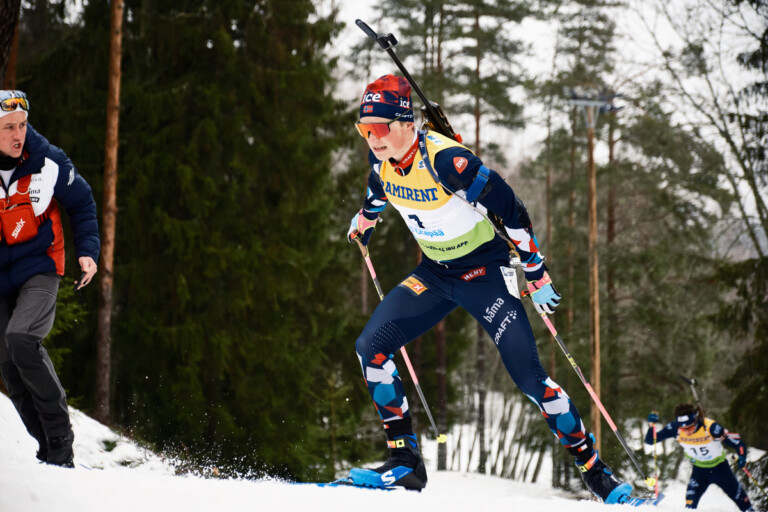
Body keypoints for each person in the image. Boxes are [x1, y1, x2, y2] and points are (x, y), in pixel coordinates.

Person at [345, 74, 631, 502]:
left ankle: (595, 472)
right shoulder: (381, 162)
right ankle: (405, 464)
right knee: (370, 347)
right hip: (435, 274)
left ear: (406, 122)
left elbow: (512, 209)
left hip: (485, 274)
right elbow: (377, 190)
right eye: (364, 129)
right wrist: (366, 219)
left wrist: (535, 270)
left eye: (380, 128)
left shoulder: (448, 162)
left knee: (529, 378)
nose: (373, 139)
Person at [0, 90, 100, 468]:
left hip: (40, 266)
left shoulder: (47, 160)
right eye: (9, 127)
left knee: (21, 337)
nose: (18, 134)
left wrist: (87, 250)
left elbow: (82, 202)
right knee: (7, 361)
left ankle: (60, 439)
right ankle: (45, 446)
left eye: (22, 125)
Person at [645, 404, 754, 510]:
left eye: (690, 428)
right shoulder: (675, 428)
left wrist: (742, 457)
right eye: (683, 429)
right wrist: (651, 425)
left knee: (744, 505)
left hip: (721, 469)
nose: (687, 432)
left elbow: (737, 443)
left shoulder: (710, 427)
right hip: (699, 472)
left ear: (696, 421)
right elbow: (650, 440)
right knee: (689, 507)